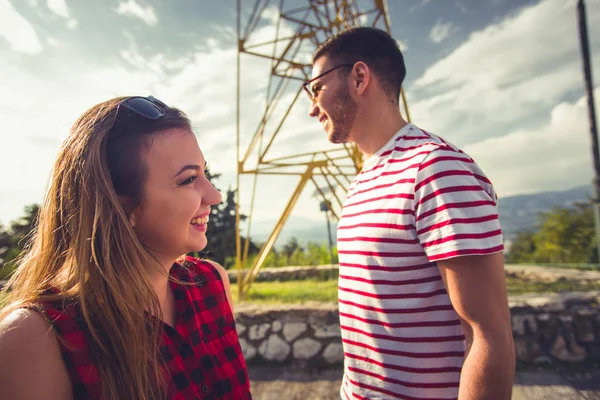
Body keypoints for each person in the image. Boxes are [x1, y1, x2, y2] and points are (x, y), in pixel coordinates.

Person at [305, 27, 515, 399]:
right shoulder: (365, 177)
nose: (311, 107)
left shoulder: (435, 169)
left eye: (315, 87)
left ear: (358, 77)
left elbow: (489, 336)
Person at [0, 96, 251, 400]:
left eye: (205, 174)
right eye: (188, 180)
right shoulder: (36, 338)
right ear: (120, 207)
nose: (214, 196)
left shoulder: (211, 283)